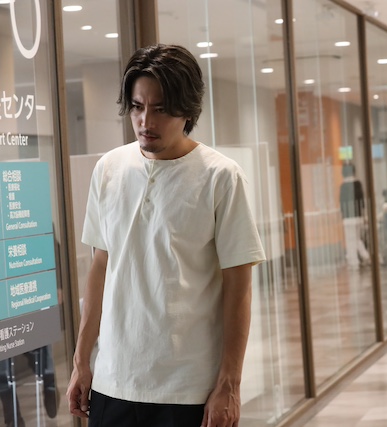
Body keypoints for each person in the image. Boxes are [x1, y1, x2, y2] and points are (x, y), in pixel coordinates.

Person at [65, 44, 266, 427]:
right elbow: (101, 266)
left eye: (160, 109)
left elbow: (238, 286)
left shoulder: (220, 177)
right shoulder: (109, 169)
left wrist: (230, 383)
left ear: (187, 110)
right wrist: (81, 361)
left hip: (187, 390)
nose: (146, 121)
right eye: (137, 107)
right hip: (112, 382)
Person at [339, 162, 371, 269]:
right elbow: (361, 201)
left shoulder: (343, 186)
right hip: (358, 217)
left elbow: (342, 203)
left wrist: (342, 215)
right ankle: (365, 255)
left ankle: (354, 261)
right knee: (356, 238)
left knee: (350, 240)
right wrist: (364, 215)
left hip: (347, 218)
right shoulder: (358, 184)